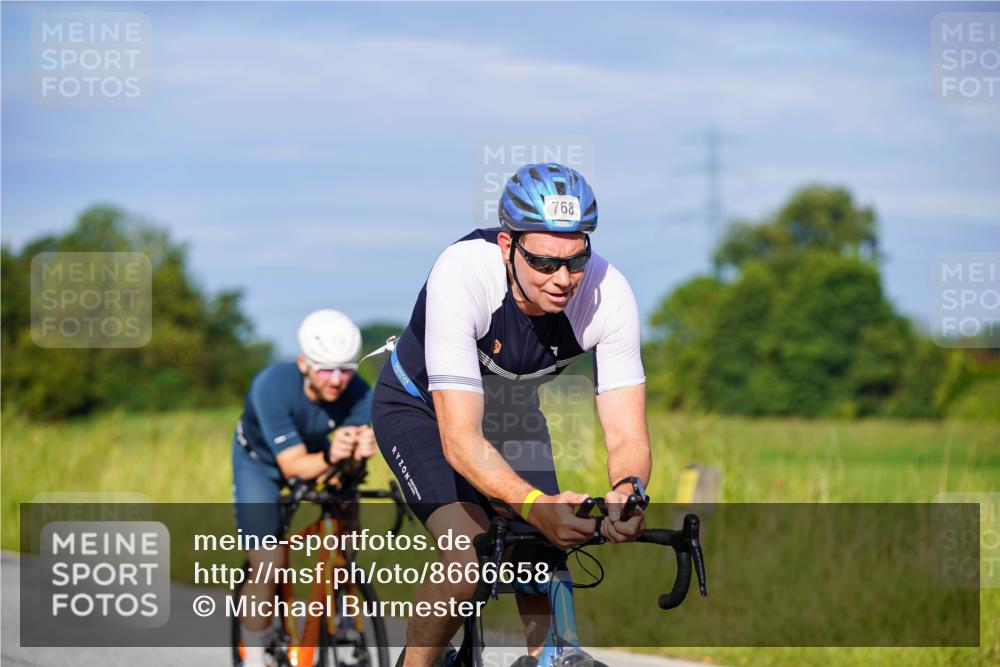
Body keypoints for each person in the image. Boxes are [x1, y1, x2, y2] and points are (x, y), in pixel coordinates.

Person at [371, 163, 650, 667]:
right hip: (421, 412)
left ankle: (547, 656)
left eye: (576, 259)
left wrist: (629, 492)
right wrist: (532, 503)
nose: (563, 279)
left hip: (512, 411)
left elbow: (626, 431)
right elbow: (460, 440)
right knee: (468, 557)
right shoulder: (463, 273)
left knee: (542, 553)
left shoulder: (610, 295)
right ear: (507, 246)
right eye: (544, 263)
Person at [232, 308, 378, 667]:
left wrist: (358, 456)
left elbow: (349, 467)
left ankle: (341, 603)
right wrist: (332, 452)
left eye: (346, 369)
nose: (337, 379)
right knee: (269, 563)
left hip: (318, 455)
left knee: (346, 510)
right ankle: (255, 648)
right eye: (325, 369)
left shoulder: (360, 393)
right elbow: (294, 466)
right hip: (261, 464)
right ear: (303, 364)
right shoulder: (271, 386)